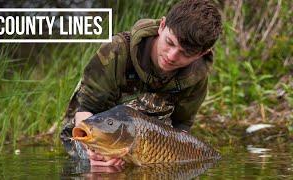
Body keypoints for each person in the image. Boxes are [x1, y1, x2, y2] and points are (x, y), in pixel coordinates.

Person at [60, 0, 222, 166]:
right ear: (162, 25)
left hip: (149, 143)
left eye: (185, 53)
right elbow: (86, 109)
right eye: (169, 42)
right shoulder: (116, 50)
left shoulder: (196, 76)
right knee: (91, 167)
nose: (172, 56)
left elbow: (182, 126)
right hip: (99, 126)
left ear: (202, 53)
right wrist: (94, 152)